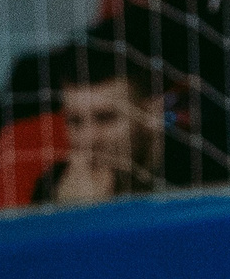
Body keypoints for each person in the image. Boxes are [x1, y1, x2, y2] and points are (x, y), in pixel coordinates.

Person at [30, 44, 164, 205]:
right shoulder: (54, 184)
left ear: (151, 114)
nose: (88, 139)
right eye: (75, 121)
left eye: (105, 118)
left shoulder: (191, 174)